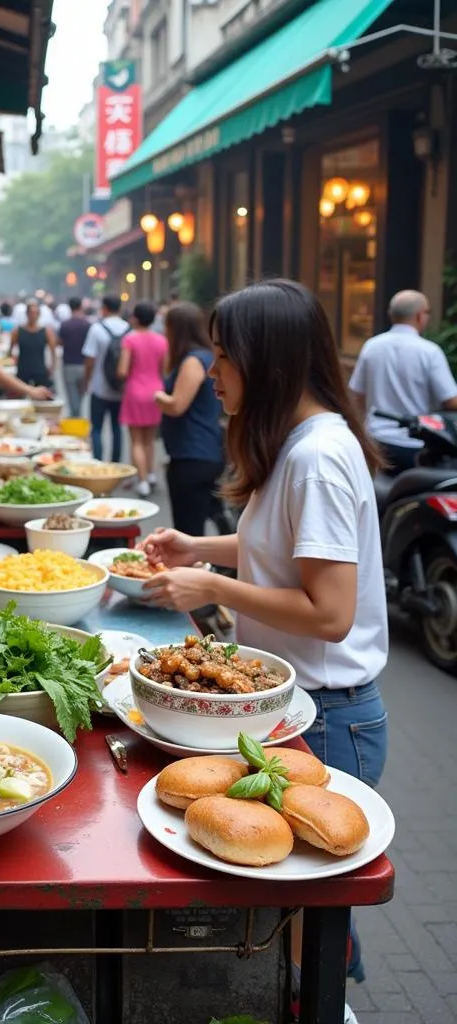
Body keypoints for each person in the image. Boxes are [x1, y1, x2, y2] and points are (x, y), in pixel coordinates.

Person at [142, 279, 388, 997]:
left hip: (332, 717)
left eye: (222, 357)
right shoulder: (297, 443)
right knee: (306, 895)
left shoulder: (318, 458)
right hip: (295, 708)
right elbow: (281, 553)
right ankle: (317, 992)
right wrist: (199, 549)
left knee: (317, 896)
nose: (211, 372)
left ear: (267, 360)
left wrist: (213, 589)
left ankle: (328, 1005)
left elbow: (329, 612)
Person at [349, 289, 457, 474]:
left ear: (391, 315)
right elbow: (451, 400)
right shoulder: (429, 352)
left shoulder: (371, 346)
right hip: (415, 445)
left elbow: (356, 395)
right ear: (419, 316)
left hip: (376, 441)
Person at [153, 301, 225, 534]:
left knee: (188, 531)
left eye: (167, 327)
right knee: (201, 516)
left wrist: (159, 396)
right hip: (200, 451)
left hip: (193, 453)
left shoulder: (194, 361)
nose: (164, 333)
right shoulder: (202, 357)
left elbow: (177, 405)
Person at [118, 300, 168, 496]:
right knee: (149, 440)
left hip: (135, 390)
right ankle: (151, 473)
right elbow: (165, 369)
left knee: (136, 441)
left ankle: (142, 480)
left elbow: (122, 370)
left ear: (135, 318)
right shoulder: (162, 340)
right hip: (156, 391)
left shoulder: (130, 340)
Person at [82, 294, 130, 461]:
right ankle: (116, 464)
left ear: (104, 308)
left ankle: (98, 462)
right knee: (117, 428)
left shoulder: (96, 329)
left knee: (96, 428)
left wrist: (86, 381)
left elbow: (89, 360)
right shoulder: (128, 329)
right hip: (120, 388)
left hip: (99, 387)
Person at [9, 298, 57, 389]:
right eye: (31, 312)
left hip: (40, 369)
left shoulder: (46, 331)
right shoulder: (17, 331)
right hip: (23, 369)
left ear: (39, 314)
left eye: (35, 313)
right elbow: (11, 350)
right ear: (27, 314)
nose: (33, 315)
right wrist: (13, 360)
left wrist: (52, 366)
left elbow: (52, 351)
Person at [57, 296, 91, 416]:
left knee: (71, 395)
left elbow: (59, 342)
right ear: (81, 306)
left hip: (69, 364)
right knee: (81, 393)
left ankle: (75, 416)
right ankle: (78, 415)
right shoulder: (87, 325)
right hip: (83, 364)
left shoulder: (65, 325)